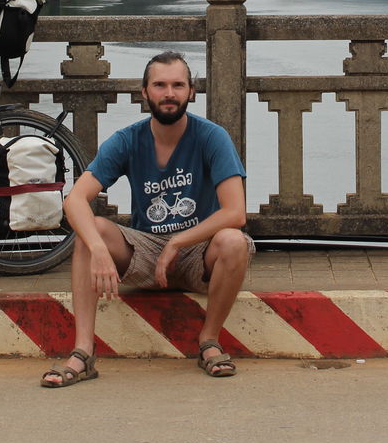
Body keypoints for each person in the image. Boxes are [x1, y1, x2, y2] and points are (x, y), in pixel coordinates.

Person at [40, 50, 254, 387]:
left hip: (200, 253)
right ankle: (83, 353)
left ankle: (209, 342)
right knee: (89, 230)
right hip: (144, 252)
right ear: (144, 92)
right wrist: (97, 249)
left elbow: (235, 212)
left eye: (178, 85)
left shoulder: (212, 137)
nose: (169, 93)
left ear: (191, 92)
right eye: (160, 85)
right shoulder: (127, 140)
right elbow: (76, 199)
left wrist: (181, 240)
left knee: (234, 240)